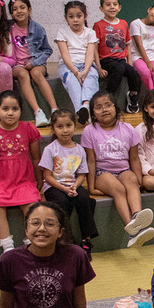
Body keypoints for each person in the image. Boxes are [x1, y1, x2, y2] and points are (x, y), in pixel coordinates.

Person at [82, 90, 154, 248]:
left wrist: (139, 180)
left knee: (131, 180)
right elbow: (90, 161)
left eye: (108, 105)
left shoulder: (128, 128)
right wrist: (92, 187)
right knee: (118, 188)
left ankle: (137, 217)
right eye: (99, 107)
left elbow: (134, 158)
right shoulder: (90, 131)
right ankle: (132, 229)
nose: (105, 109)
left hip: (124, 169)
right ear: (93, 113)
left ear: (116, 107)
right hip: (102, 172)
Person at [0, 90, 41, 253]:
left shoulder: (28, 128)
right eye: (5, 108)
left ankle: (30, 244)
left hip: (23, 180)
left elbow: (36, 158)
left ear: (21, 111)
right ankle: (8, 248)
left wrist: (39, 181)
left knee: (32, 205)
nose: (10, 113)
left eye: (15, 109)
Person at [39, 109, 98, 259]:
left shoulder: (79, 150)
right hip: (55, 186)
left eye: (68, 125)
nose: (65, 130)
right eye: (60, 126)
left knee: (85, 200)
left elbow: (82, 175)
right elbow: (47, 177)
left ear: (75, 126)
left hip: (73, 184)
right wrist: (64, 189)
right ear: (53, 129)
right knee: (60, 202)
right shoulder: (50, 149)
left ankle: (86, 241)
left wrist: (74, 186)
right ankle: (67, 242)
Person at [8, 0, 57, 127]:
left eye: (22, 7)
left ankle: (54, 110)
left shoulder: (38, 29)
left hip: (36, 62)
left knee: (36, 73)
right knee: (23, 75)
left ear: (29, 10)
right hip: (17, 65)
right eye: (14, 9)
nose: (19, 11)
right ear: (11, 13)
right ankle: (38, 112)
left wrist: (34, 63)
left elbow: (47, 50)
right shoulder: (7, 28)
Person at [93, 0, 141, 114]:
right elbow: (94, 48)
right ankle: (108, 97)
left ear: (119, 7)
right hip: (106, 60)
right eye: (108, 5)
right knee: (119, 69)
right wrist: (98, 67)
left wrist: (130, 62)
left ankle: (133, 96)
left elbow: (128, 44)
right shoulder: (98, 25)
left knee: (132, 72)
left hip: (121, 59)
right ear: (101, 8)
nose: (112, 7)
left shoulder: (123, 23)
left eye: (115, 4)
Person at [54, 0, 99, 125]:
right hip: (68, 66)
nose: (75, 20)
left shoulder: (90, 33)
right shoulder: (62, 32)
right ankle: (81, 110)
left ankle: (85, 105)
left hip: (86, 65)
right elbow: (65, 55)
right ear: (66, 18)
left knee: (91, 78)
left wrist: (85, 71)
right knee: (72, 82)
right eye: (71, 16)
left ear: (85, 16)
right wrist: (75, 72)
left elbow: (90, 54)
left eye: (79, 16)